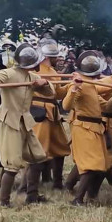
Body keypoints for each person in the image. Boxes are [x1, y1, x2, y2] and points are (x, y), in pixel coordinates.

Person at [0, 44, 56, 206]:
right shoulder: (9, 73)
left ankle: (32, 196)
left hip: (25, 122)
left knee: (38, 158)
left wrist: (44, 84)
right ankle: (4, 201)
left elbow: (51, 94)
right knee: (12, 165)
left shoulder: (32, 78)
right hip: (10, 122)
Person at [62, 52, 112, 206]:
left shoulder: (91, 86)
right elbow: (66, 106)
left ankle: (92, 197)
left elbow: (106, 106)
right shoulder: (78, 84)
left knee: (102, 166)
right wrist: (74, 88)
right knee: (91, 165)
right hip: (83, 128)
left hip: (96, 128)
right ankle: (77, 199)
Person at [33, 40, 71, 189]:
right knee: (39, 149)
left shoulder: (53, 72)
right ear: (48, 57)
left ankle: (57, 183)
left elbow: (57, 93)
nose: (58, 59)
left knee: (60, 147)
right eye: (55, 57)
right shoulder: (34, 70)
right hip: (39, 111)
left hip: (53, 113)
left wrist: (71, 84)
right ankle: (29, 187)